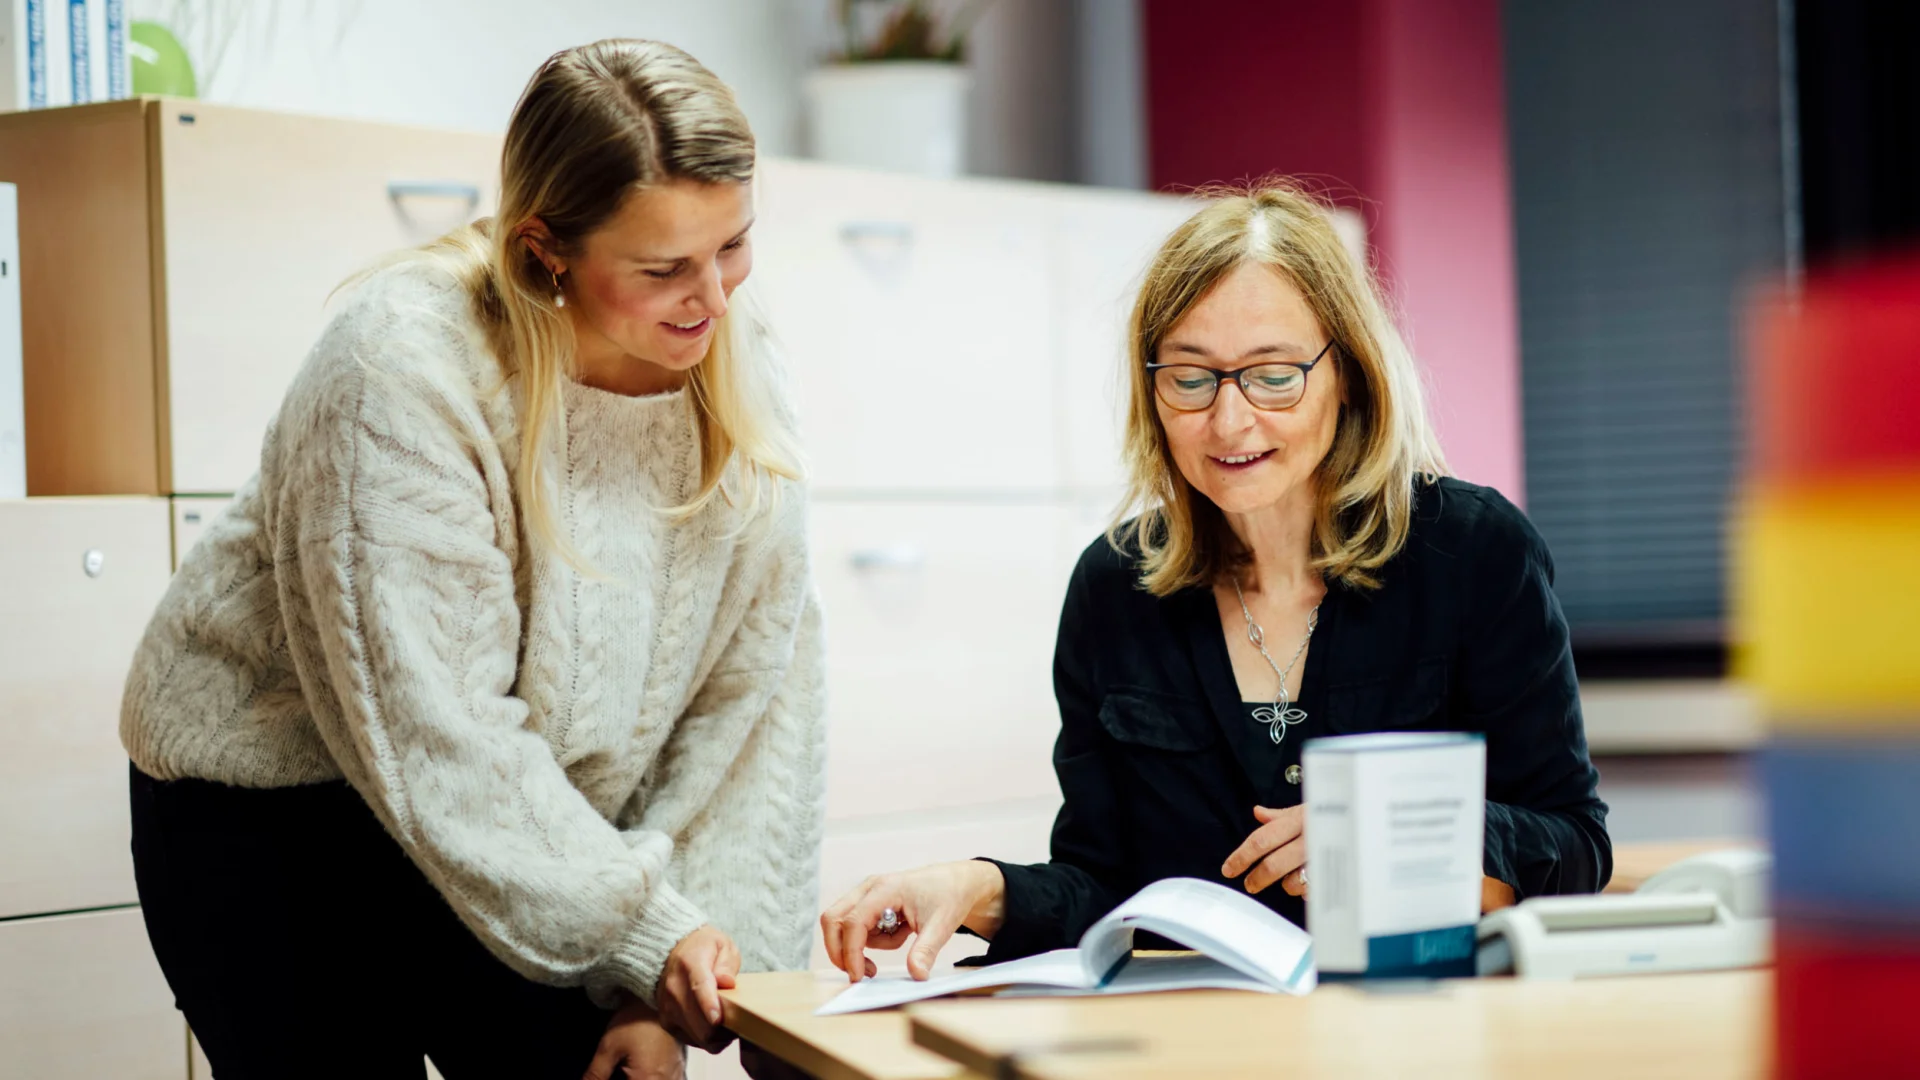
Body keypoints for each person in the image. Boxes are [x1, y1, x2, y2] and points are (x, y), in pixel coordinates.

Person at [122, 40, 824, 1080]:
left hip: (528, 822)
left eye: (735, 245)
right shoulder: (398, 364)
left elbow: (754, 698)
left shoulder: (726, 350)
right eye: (664, 268)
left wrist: (669, 991)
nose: (715, 298)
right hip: (278, 819)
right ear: (545, 249)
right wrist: (642, 931)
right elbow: (436, 728)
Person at [821, 183, 1611, 982]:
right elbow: (1104, 887)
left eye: (1273, 375)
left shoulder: (1473, 553)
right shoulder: (1115, 585)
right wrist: (975, 887)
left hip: (1422, 1030)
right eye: (1191, 379)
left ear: (1348, 375)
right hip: (1196, 1040)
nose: (1229, 423)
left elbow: (1576, 847)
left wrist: (1409, 834)